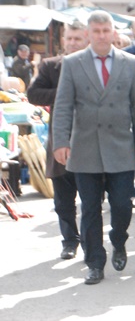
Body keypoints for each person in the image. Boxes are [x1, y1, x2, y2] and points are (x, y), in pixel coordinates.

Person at [53, 10, 135, 285]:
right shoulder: (72, 63)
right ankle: (95, 262)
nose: (101, 36)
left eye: (105, 31)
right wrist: (61, 142)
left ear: (113, 33)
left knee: (122, 204)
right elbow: (63, 106)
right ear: (88, 34)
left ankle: (118, 240)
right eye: (95, 31)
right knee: (90, 208)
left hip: (120, 146)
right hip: (85, 147)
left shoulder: (130, 62)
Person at [27, 20, 89, 260]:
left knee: (91, 199)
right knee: (63, 200)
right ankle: (70, 241)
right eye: (69, 38)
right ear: (63, 40)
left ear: (87, 40)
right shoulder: (51, 66)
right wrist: (64, 94)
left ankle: (90, 241)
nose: (72, 43)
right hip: (61, 141)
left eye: (77, 39)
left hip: (90, 142)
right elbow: (33, 94)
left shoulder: (95, 66)